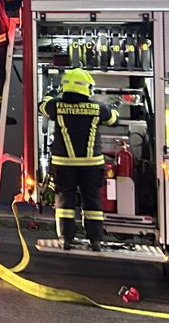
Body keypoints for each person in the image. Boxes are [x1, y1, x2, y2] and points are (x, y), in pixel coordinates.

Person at [39, 68, 119, 252]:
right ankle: (95, 240)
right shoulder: (98, 107)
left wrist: (52, 93)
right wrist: (113, 107)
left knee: (64, 200)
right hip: (91, 165)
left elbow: (42, 106)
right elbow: (113, 120)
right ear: (87, 88)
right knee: (92, 201)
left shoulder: (56, 106)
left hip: (64, 164)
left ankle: (66, 238)